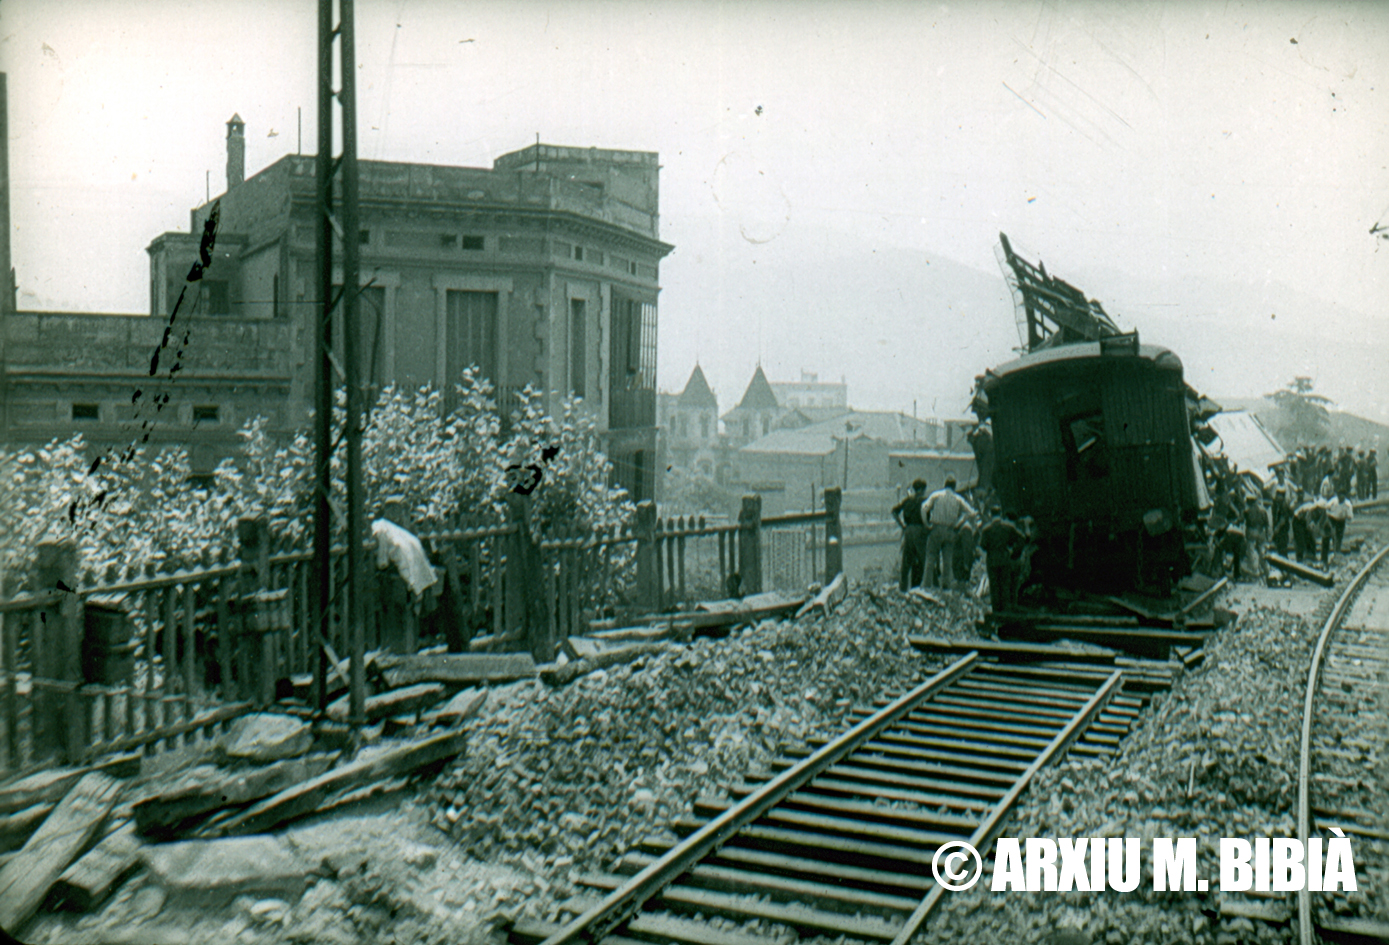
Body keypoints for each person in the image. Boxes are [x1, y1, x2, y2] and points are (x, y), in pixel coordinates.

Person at [921, 475, 976, 590]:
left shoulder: (936, 495)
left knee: (930, 558)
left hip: (936, 528)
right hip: (950, 530)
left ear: (944, 485)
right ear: (954, 487)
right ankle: (946, 586)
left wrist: (927, 524)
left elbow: (923, 508)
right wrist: (959, 522)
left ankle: (926, 586)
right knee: (947, 560)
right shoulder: (958, 498)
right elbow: (971, 513)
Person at [978, 505, 1024, 613]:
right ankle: (1006, 613)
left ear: (990, 514)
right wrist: (1015, 553)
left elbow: (983, 546)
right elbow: (1021, 538)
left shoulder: (986, 529)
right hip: (1005, 560)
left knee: (994, 588)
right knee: (1005, 587)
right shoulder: (1008, 528)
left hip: (992, 560)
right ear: (1001, 514)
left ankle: (996, 613)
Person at [891, 479, 929, 591]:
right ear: (921, 490)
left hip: (908, 531)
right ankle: (921, 589)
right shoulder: (925, 501)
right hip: (920, 531)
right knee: (923, 560)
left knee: (906, 562)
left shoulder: (907, 500)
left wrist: (902, 526)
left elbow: (894, 512)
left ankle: (902, 589)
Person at [1270, 466, 1293, 556]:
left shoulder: (1287, 486)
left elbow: (1289, 496)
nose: (1280, 477)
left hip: (1283, 516)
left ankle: (1283, 554)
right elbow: (1272, 497)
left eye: (1281, 476)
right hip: (1277, 510)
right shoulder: (1275, 486)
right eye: (1279, 476)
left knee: (1282, 537)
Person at [1326, 490, 1354, 556]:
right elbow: (1326, 507)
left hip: (1341, 520)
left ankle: (1337, 550)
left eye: (1342, 495)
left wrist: (1347, 515)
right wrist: (1328, 514)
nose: (1340, 497)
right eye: (1339, 495)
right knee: (1333, 535)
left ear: (1344, 496)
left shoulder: (1347, 504)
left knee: (1339, 536)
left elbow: (1350, 516)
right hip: (1332, 518)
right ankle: (1335, 550)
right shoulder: (1334, 500)